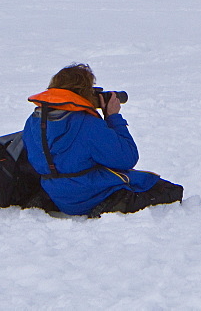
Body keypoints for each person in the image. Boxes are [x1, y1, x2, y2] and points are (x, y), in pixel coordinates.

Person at [22, 63, 183, 217]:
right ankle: (108, 207)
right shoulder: (88, 124)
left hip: (58, 195)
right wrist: (113, 118)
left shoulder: (33, 122)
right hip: (92, 195)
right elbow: (127, 158)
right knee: (168, 190)